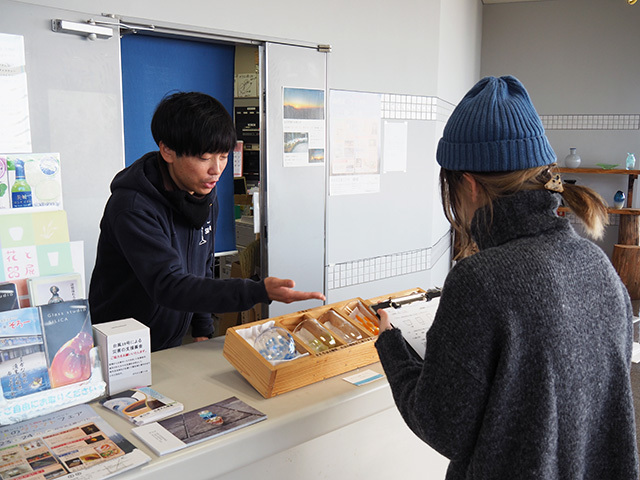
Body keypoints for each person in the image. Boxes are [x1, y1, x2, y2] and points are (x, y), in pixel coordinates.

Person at [375, 76, 639, 479]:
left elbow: (444, 427)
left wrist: (392, 346)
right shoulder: (597, 265)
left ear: (468, 185)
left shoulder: (479, 281)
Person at [89, 91, 325, 351]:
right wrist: (258, 291)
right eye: (204, 158)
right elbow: (168, 285)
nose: (216, 169)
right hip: (123, 344)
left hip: (172, 341)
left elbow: (201, 265)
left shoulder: (203, 194)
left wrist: (203, 327)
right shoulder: (133, 207)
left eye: (223, 156)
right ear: (167, 150)